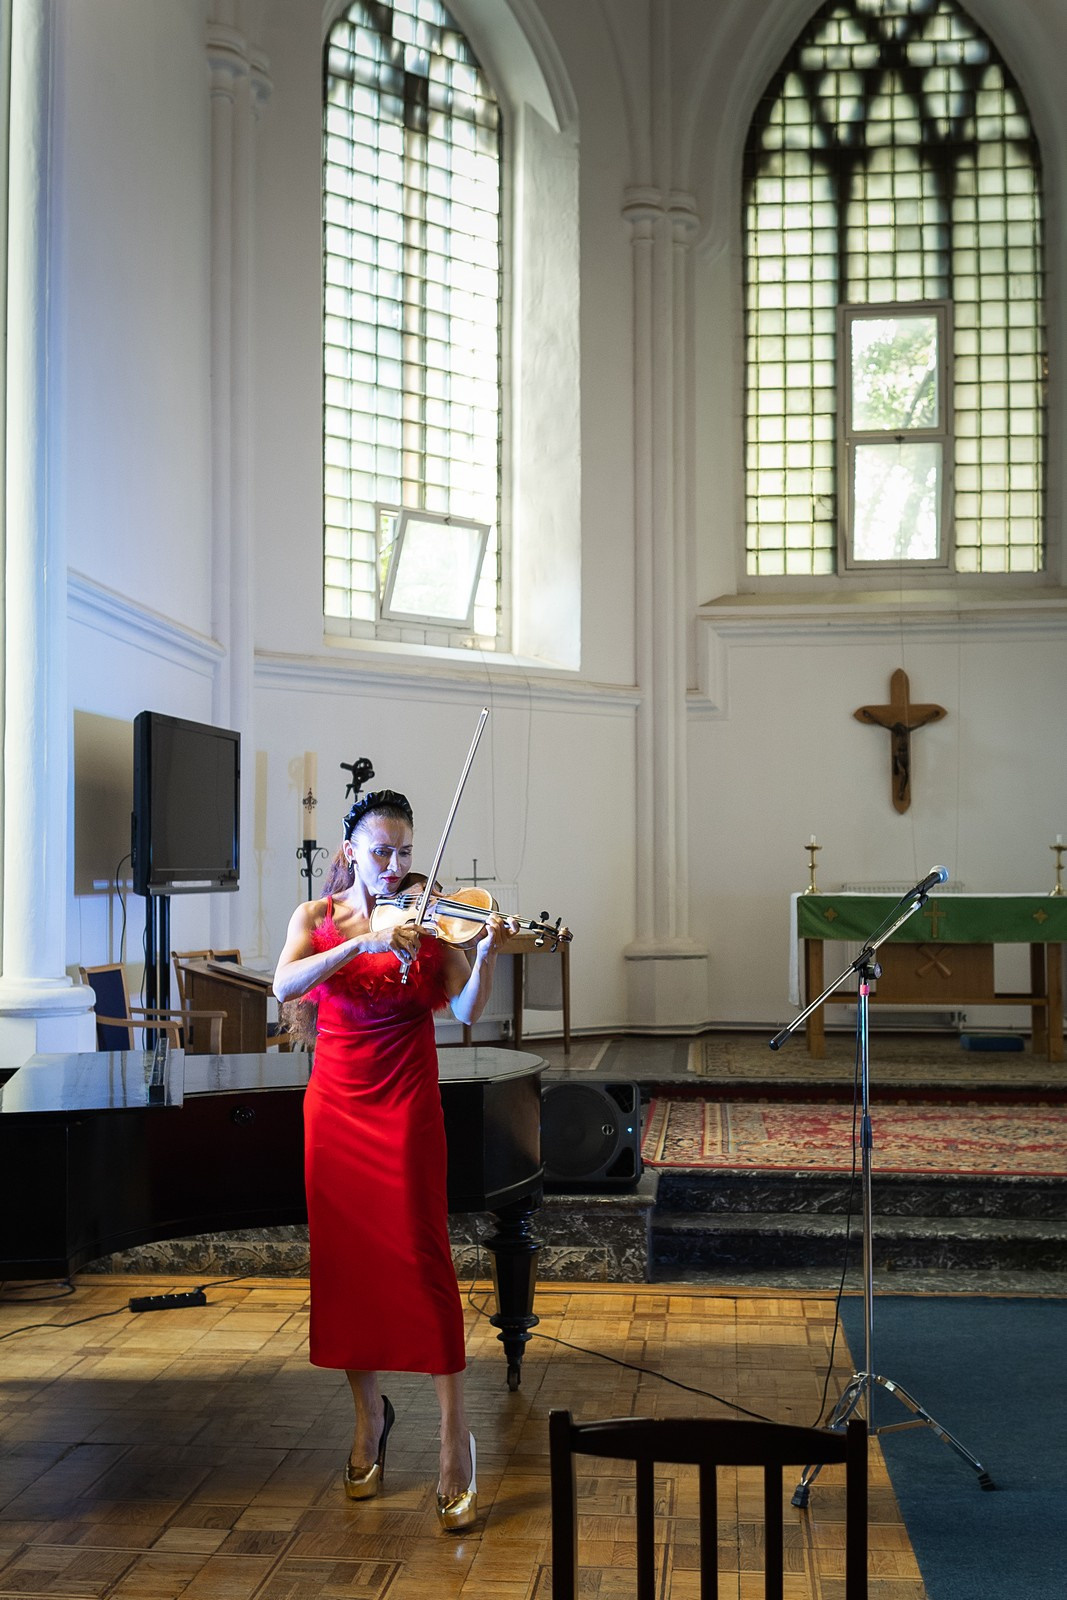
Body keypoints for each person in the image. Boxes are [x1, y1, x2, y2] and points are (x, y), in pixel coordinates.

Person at [273, 788, 516, 1532]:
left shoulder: (432, 921)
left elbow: (467, 1010)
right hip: (335, 1108)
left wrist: (486, 954)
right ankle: (368, 1418)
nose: (395, 865)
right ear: (350, 852)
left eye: (405, 852)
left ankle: (453, 1433)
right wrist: (363, 944)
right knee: (346, 1265)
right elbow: (283, 984)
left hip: (406, 1103)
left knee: (422, 1256)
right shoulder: (316, 918)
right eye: (382, 851)